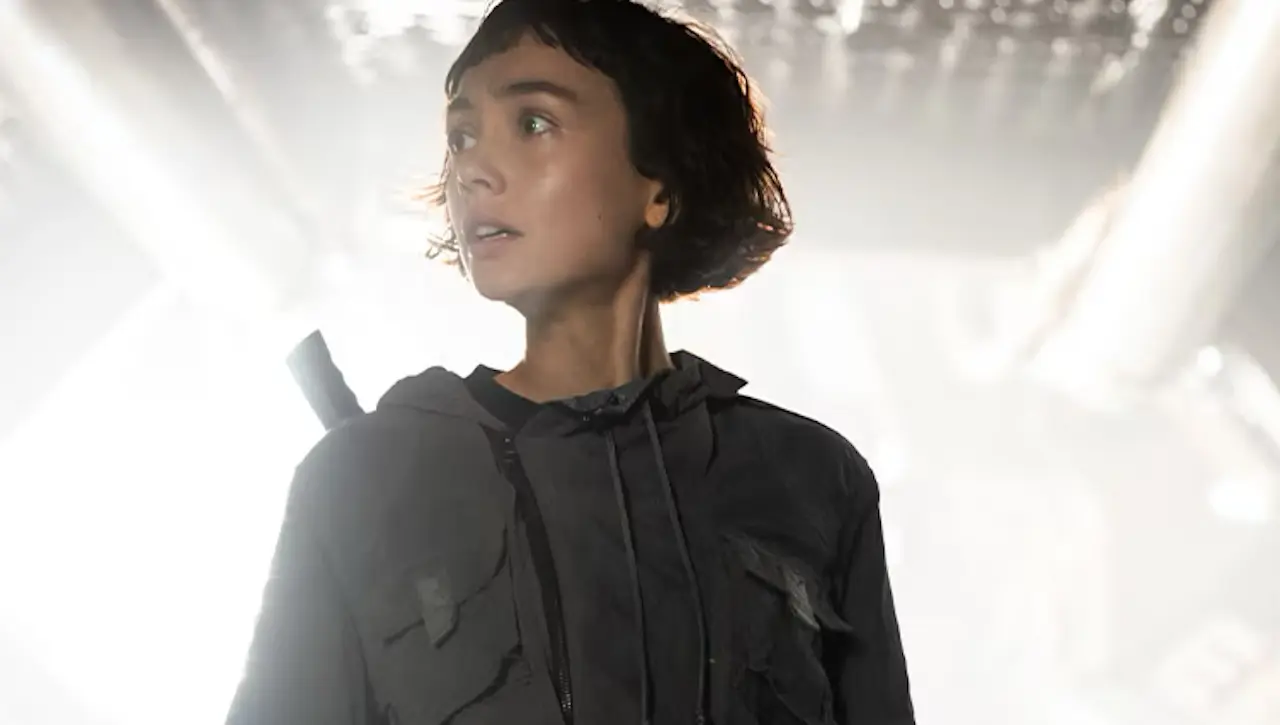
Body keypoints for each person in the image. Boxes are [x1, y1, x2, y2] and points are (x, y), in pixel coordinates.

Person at [225, 1, 914, 723]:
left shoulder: (812, 476)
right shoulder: (362, 478)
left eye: (533, 123)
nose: (473, 170)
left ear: (660, 186)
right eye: (461, 136)